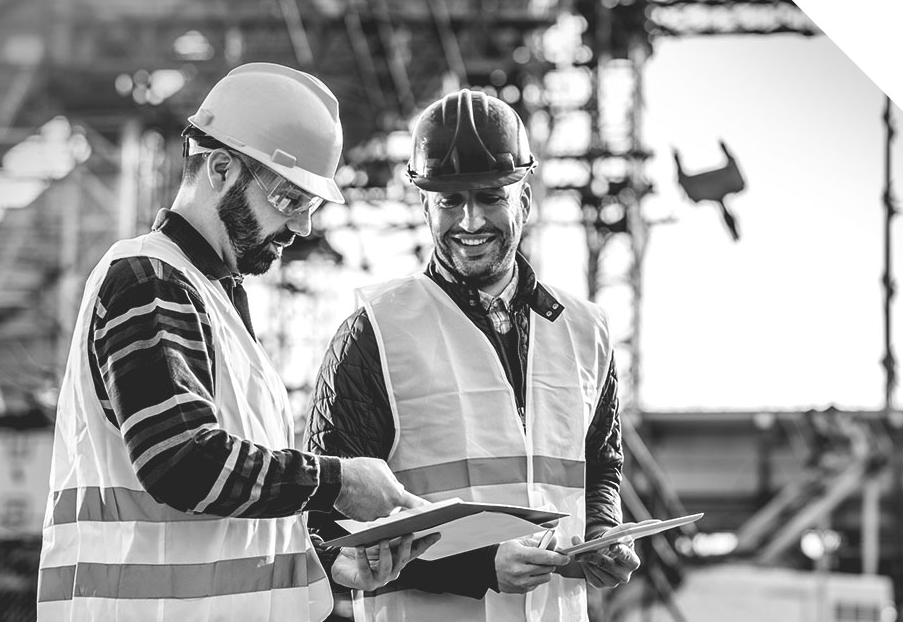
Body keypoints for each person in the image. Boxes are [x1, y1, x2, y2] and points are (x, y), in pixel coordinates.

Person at [37, 63, 438, 622]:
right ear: (221, 168)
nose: (300, 228)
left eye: (310, 207)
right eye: (289, 200)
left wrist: (324, 562)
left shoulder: (211, 300)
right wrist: (338, 481)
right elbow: (179, 463)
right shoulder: (149, 282)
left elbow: (225, 522)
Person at [308, 89, 640, 622]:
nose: (469, 222)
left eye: (489, 197)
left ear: (524, 201)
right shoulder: (375, 333)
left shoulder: (586, 330)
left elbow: (601, 465)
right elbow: (326, 528)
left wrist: (602, 531)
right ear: (425, 206)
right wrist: (478, 566)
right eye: (448, 201)